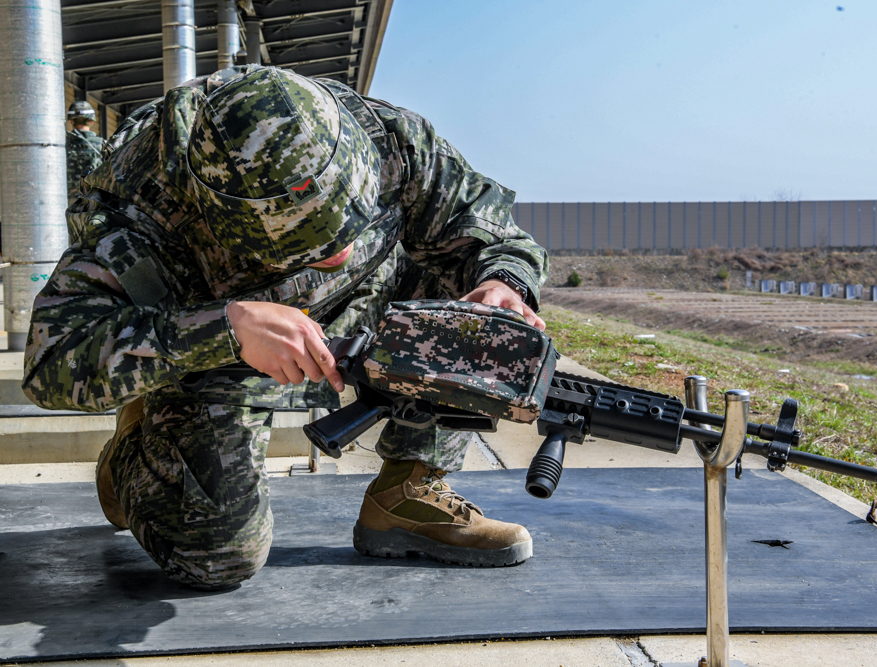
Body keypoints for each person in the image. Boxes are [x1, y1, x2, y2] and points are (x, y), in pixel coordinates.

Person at [23, 65, 548, 589]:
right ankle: (133, 453)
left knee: (477, 312)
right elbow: (52, 357)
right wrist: (224, 328)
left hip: (371, 305)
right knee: (217, 557)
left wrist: (503, 282)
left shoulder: (389, 137)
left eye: (351, 216)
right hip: (219, 349)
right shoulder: (140, 206)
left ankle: (408, 491)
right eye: (310, 248)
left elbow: (489, 229)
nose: (342, 251)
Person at [65, 100, 105, 199]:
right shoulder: (102, 145)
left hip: (66, 201)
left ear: (71, 121)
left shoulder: (62, 145)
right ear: (91, 122)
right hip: (93, 201)